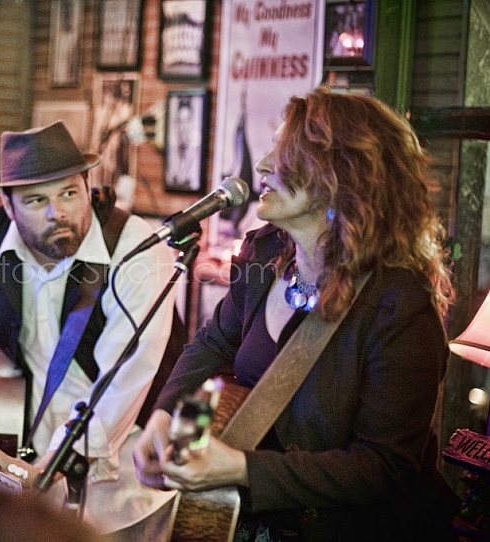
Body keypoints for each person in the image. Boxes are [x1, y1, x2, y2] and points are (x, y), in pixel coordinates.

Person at [133, 87, 459, 542]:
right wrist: (165, 414)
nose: (263, 165)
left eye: (284, 153)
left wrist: (244, 469)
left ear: (340, 176)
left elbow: (384, 467)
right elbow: (213, 346)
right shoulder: (264, 254)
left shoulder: (399, 306)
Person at [0, 121, 183, 540]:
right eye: (36, 200)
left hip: (123, 477)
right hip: (22, 451)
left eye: (69, 193)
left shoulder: (137, 250)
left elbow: (121, 381)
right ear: (8, 206)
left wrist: (53, 470)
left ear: (89, 186)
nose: (59, 213)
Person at [165, 96, 202, 192]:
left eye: (187, 121)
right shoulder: (172, 156)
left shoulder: (195, 154)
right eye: (180, 121)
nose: (183, 128)